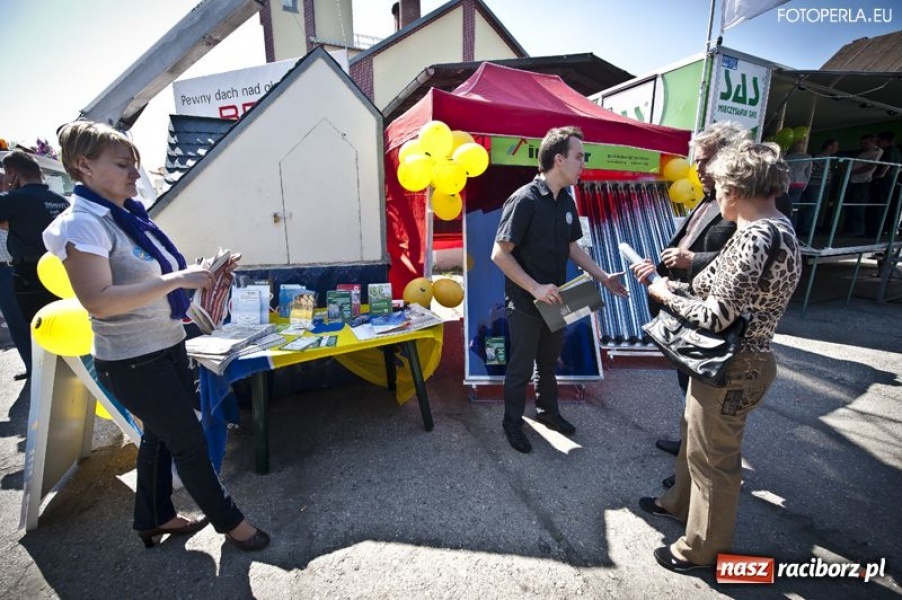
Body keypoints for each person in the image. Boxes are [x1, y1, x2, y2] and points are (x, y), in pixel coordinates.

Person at [43, 121, 269, 551]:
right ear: (84, 166)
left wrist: (205, 275)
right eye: (122, 164)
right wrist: (177, 279)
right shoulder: (81, 224)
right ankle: (233, 525)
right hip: (132, 360)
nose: (135, 173)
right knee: (190, 442)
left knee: (160, 435)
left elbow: (150, 282)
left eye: (135, 163)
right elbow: (99, 301)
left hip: (165, 346)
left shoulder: (128, 216)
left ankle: (153, 517)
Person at [632, 140, 802, 573]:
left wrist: (663, 295)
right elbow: (707, 285)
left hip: (732, 365)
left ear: (737, 189)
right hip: (725, 362)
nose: (716, 193)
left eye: (721, 185)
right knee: (694, 441)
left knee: (714, 462)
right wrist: (671, 285)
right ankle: (677, 504)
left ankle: (701, 550)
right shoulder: (772, 228)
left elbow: (716, 314)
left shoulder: (756, 236)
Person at [491, 126, 628, 453]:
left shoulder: (566, 199)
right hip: (526, 301)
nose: (583, 164)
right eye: (579, 157)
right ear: (558, 159)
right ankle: (512, 424)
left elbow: (572, 247)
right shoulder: (524, 200)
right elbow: (499, 254)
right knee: (520, 368)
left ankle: (548, 413)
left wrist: (602, 277)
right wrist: (535, 288)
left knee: (549, 363)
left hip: (559, 298)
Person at [633, 121, 746, 474]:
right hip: (688, 311)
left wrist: (692, 260)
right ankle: (688, 446)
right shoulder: (709, 197)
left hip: (715, 319)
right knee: (689, 386)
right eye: (695, 160)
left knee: (706, 402)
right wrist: (661, 273)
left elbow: (747, 258)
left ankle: (696, 467)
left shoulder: (747, 200)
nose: (697, 168)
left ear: (729, 158)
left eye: (705, 160)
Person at [0, 150, 70, 379]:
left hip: (29, 276)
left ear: (12, 173)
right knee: (64, 324)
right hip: (63, 272)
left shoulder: (12, 199)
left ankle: (46, 378)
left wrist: (5, 190)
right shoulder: (60, 200)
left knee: (37, 327)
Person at [0, 168, 33, 380]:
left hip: (16, 266)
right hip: (3, 269)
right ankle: (32, 366)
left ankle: (47, 367)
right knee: (15, 321)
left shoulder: (14, 203)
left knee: (26, 318)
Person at [796, 139, 839, 236]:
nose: (837, 148)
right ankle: (806, 229)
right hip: (815, 186)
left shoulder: (825, 158)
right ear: (829, 146)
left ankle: (805, 227)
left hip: (817, 186)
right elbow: (811, 171)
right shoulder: (819, 158)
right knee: (812, 208)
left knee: (810, 207)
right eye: (835, 146)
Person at [843, 133, 882, 237]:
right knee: (849, 206)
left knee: (857, 206)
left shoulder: (877, 152)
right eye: (862, 143)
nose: (863, 145)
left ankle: (857, 230)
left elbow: (871, 166)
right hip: (853, 181)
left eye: (866, 143)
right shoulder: (862, 153)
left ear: (874, 143)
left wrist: (851, 172)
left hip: (862, 182)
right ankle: (850, 229)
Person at [871, 131, 902, 236]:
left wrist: (881, 174)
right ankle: (885, 229)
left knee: (879, 206)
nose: (877, 144)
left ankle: (876, 231)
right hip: (892, 182)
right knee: (888, 206)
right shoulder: (897, 151)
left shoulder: (889, 151)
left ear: (885, 141)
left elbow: (887, 163)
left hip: (884, 183)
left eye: (878, 141)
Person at [784, 139, 812, 227]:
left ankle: (785, 224)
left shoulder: (787, 157)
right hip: (800, 183)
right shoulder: (808, 157)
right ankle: (793, 226)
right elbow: (808, 173)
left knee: (785, 205)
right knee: (795, 207)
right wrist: (805, 185)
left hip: (787, 183)